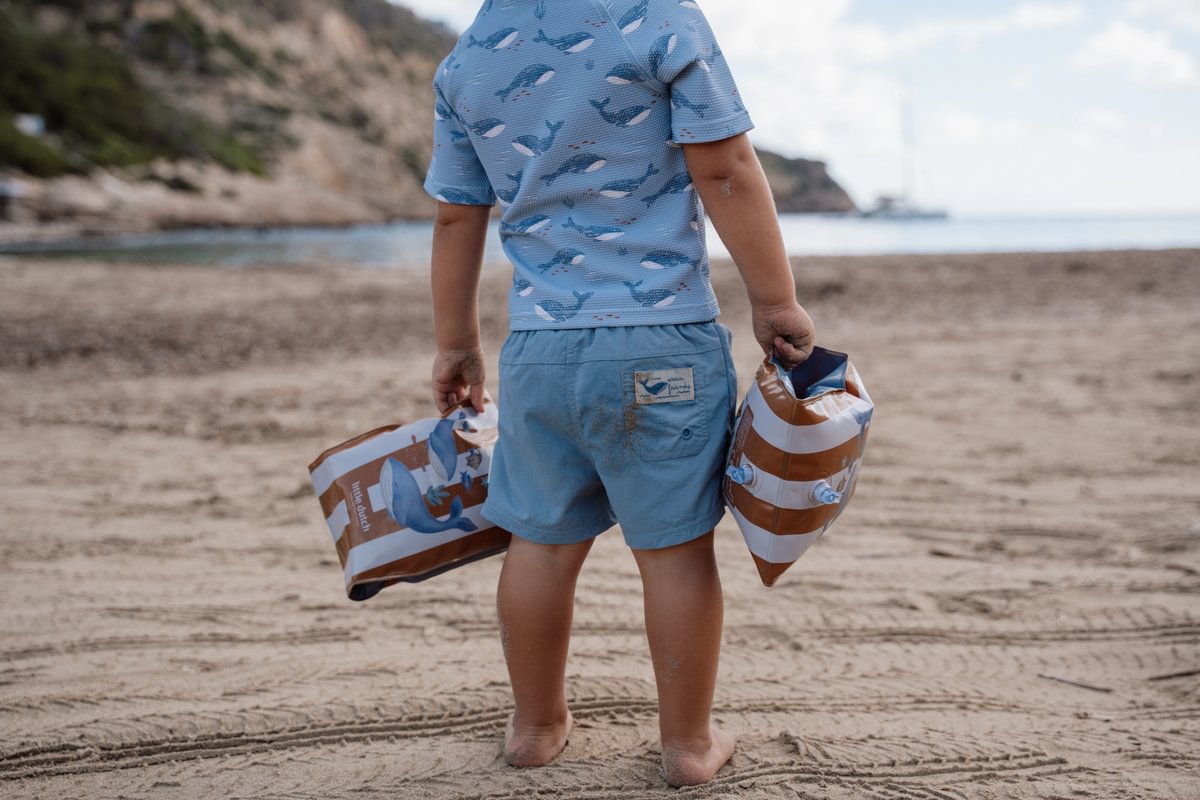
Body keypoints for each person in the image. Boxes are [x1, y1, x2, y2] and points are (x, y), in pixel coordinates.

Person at [424, 0, 814, 786]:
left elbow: (456, 220)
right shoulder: (660, 18)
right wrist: (775, 302)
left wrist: (457, 345)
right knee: (674, 549)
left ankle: (536, 726)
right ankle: (688, 745)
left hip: (539, 353)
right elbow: (725, 168)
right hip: (660, 342)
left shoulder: (469, 58)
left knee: (540, 542)